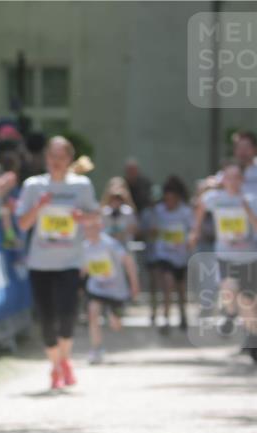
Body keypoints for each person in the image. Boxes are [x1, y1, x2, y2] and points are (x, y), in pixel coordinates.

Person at [16, 136, 98, 390]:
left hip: (70, 262)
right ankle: (56, 365)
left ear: (69, 159)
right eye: (52, 157)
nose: (56, 162)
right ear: (46, 159)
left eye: (61, 157)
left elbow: (95, 217)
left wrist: (80, 217)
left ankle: (64, 360)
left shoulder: (81, 186)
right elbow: (22, 224)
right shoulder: (34, 186)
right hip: (40, 262)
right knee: (46, 319)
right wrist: (39, 207)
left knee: (67, 316)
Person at [191, 163, 257, 360]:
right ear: (223, 180)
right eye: (229, 177)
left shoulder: (251, 200)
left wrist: (247, 211)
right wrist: (195, 231)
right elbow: (200, 203)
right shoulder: (215, 198)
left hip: (249, 257)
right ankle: (228, 315)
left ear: (242, 180)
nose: (233, 181)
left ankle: (253, 342)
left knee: (248, 303)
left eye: (237, 177)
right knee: (228, 287)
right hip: (225, 255)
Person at [82, 212, 140, 364]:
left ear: (99, 227)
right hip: (96, 288)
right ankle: (96, 349)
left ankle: (114, 317)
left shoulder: (111, 245)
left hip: (116, 291)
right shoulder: (84, 247)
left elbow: (128, 262)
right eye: (86, 228)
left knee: (116, 324)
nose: (89, 231)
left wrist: (134, 284)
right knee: (92, 314)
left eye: (92, 228)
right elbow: (84, 269)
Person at [142, 176, 192, 333]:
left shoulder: (185, 212)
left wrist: (188, 241)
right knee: (167, 284)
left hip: (181, 256)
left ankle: (183, 314)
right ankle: (166, 318)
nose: (168, 202)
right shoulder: (158, 211)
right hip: (164, 254)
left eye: (172, 199)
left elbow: (192, 231)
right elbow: (149, 230)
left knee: (181, 288)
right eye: (166, 199)